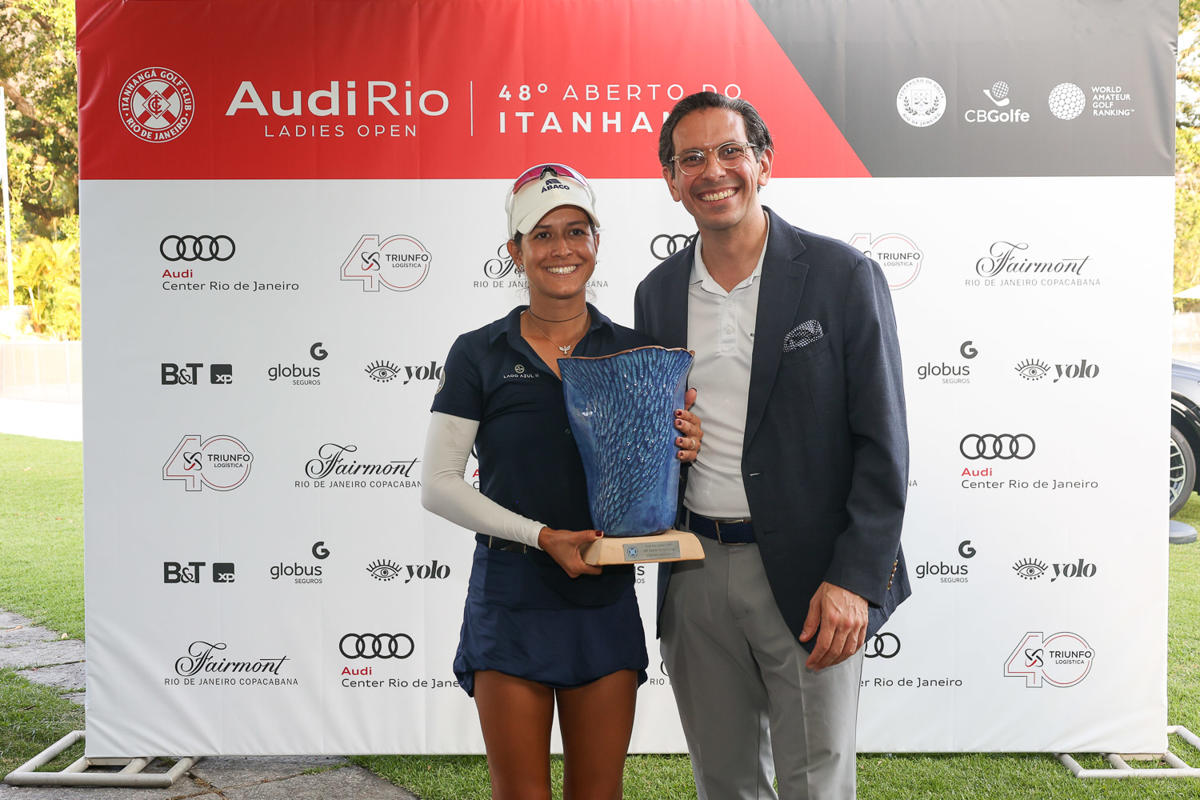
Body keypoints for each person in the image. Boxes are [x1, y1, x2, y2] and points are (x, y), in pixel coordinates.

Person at [634, 92, 910, 800]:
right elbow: (656, 426)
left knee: (816, 785)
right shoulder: (656, 293)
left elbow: (883, 442)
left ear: (763, 162)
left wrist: (856, 578)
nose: (712, 170)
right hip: (694, 573)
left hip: (815, 578)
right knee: (723, 783)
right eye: (691, 158)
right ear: (671, 180)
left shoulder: (841, 275)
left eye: (730, 151)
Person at [421, 162, 702, 800]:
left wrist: (684, 445)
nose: (561, 249)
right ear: (515, 251)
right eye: (542, 235)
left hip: (603, 597)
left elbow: (655, 476)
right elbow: (438, 484)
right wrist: (542, 535)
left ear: (596, 242)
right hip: (511, 596)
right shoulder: (479, 353)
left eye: (577, 231)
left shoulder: (634, 350)